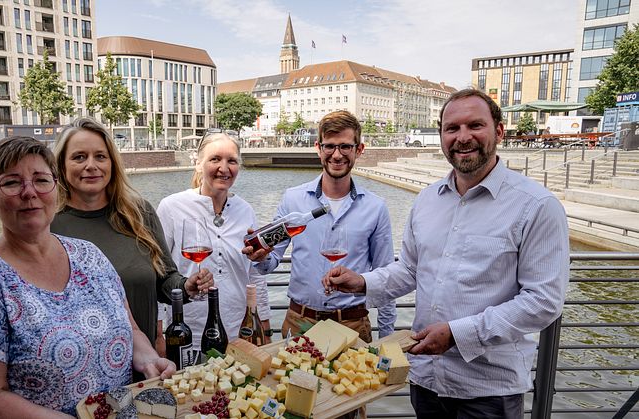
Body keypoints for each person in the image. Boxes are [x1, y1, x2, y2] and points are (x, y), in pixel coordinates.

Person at [325, 89, 570, 418]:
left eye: (475, 126)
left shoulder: (536, 206)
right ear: (441, 135)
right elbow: (410, 271)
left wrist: (458, 334)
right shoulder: (427, 200)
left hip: (487, 390)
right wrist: (362, 283)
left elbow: (543, 302)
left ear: (498, 131)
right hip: (426, 378)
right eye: (452, 128)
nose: (463, 137)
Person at [0, 136, 175, 417]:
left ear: (55, 186)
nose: (29, 192)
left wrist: (149, 359)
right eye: (12, 182)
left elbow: (131, 329)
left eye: (40, 180)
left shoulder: (89, 255)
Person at [50, 117, 213, 364]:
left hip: (143, 364)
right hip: (80, 368)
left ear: (113, 164)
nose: (91, 165)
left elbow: (165, 278)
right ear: (61, 165)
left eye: (100, 157)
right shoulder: (49, 224)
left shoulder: (138, 213)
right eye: (79, 157)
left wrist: (186, 287)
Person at [244, 110, 396, 343]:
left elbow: (385, 276)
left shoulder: (376, 207)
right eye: (330, 146)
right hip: (300, 322)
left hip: (353, 324)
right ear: (318, 148)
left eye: (345, 147)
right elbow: (270, 263)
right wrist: (260, 257)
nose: (337, 155)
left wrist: (388, 340)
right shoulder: (292, 199)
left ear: (359, 150)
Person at [156, 132, 271, 355]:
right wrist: (158, 334)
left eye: (232, 161)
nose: (224, 168)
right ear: (198, 164)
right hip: (187, 336)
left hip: (237, 332)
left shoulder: (245, 210)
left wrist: (264, 326)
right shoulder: (171, 208)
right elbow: (158, 273)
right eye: (215, 159)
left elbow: (254, 274)